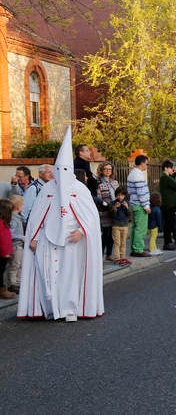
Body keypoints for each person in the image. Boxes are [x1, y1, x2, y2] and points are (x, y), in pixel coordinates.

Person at [17, 126, 104, 320]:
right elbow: (38, 218)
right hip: (49, 242)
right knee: (50, 278)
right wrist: (34, 238)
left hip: (74, 243)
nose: (62, 173)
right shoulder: (48, 189)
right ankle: (52, 309)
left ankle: (71, 309)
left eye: (65, 169)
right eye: (59, 169)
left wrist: (82, 231)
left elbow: (91, 217)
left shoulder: (80, 189)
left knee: (71, 278)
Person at [127, 154, 151, 258]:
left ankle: (134, 248)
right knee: (140, 229)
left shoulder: (132, 173)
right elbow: (141, 192)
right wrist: (146, 206)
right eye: (146, 163)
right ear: (142, 163)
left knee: (135, 228)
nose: (147, 166)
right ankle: (138, 249)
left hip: (134, 204)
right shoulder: (138, 175)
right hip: (140, 205)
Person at [96, 162, 119, 261]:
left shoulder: (115, 182)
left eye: (110, 169)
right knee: (105, 234)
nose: (108, 171)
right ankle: (100, 256)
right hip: (105, 212)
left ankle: (109, 255)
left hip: (115, 211)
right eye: (105, 169)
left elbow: (119, 195)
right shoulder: (98, 183)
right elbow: (98, 198)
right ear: (101, 170)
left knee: (113, 235)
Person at [159, 160, 176, 251]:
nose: (172, 170)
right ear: (166, 168)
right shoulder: (165, 178)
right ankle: (167, 243)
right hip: (169, 204)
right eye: (171, 168)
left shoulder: (167, 177)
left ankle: (169, 242)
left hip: (169, 204)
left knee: (169, 224)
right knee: (168, 225)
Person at [6, 195, 24, 293]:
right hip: (15, 246)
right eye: (23, 205)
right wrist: (21, 237)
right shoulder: (13, 219)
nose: (23, 206)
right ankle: (12, 284)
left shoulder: (18, 217)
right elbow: (10, 234)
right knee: (14, 265)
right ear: (18, 207)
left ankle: (18, 283)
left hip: (19, 246)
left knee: (20, 264)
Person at [111, 187, 131, 266]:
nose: (120, 197)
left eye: (122, 195)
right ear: (116, 195)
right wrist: (115, 208)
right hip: (116, 226)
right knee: (117, 243)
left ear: (124, 196)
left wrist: (127, 208)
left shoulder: (127, 203)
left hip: (125, 225)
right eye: (118, 195)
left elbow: (129, 215)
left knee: (123, 242)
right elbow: (112, 215)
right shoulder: (113, 203)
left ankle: (123, 257)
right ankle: (117, 258)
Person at [0, 199, 15, 299]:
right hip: (2, 254)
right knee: (0, 273)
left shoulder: (4, 222)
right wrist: (5, 253)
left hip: (5, 253)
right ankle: (2, 291)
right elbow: (2, 239)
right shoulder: (1, 223)